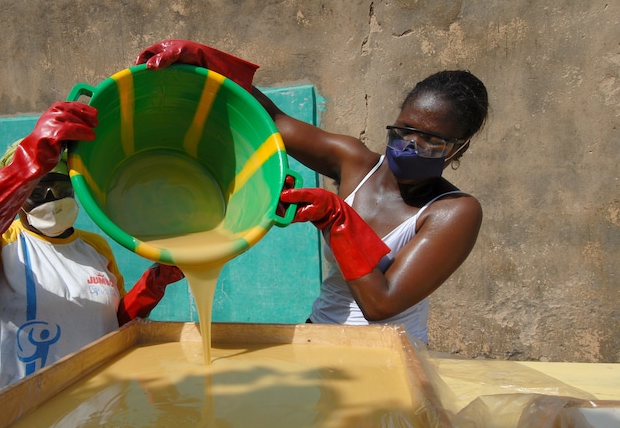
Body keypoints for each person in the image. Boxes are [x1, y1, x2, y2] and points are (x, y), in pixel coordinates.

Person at [136, 40, 488, 344]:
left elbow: (382, 303)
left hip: (388, 354)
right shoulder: (355, 164)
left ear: (459, 149)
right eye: (405, 128)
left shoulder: (453, 212)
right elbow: (273, 121)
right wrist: (206, 62)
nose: (410, 144)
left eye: (431, 138)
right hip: (320, 334)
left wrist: (336, 219)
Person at [0, 102, 183, 398]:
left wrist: (154, 284)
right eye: (36, 190)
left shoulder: (95, 248)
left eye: (61, 187)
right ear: (17, 196)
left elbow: (111, 326)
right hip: (20, 418)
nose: (51, 196)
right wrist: (26, 165)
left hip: (95, 409)